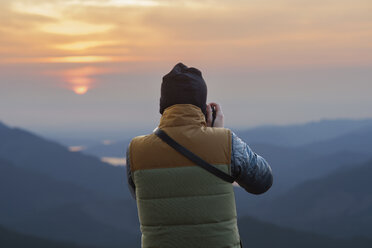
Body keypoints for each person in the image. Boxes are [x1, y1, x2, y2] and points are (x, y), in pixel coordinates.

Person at [126, 62, 273, 248]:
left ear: (163, 106)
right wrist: (217, 134)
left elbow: (143, 195)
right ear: (204, 108)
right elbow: (263, 181)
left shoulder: (135, 150)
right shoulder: (227, 141)